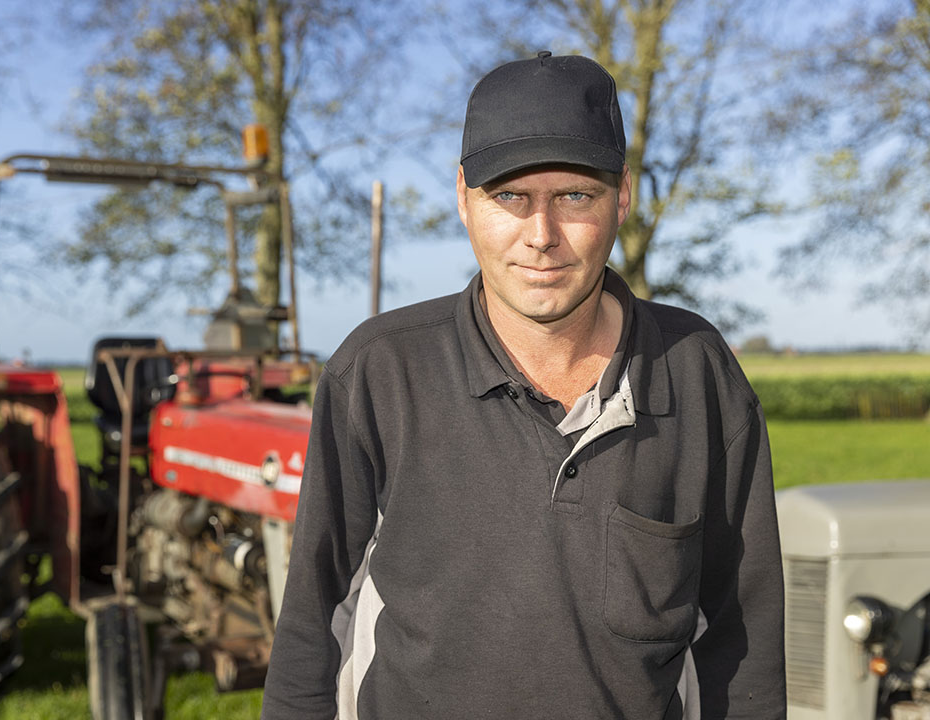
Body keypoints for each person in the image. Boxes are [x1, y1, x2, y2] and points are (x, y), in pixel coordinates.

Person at [261, 52, 785, 720]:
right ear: (463, 197)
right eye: (509, 197)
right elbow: (313, 617)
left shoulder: (698, 373)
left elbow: (743, 638)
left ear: (622, 196)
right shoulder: (380, 372)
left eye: (574, 197)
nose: (542, 236)